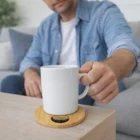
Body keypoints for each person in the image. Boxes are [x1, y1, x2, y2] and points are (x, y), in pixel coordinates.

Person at [1, 0, 140, 106]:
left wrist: (111, 68)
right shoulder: (45, 26)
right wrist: (30, 74)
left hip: (86, 86)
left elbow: (126, 46)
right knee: (10, 82)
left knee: (76, 84)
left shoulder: (103, 11)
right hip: (54, 87)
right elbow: (30, 60)